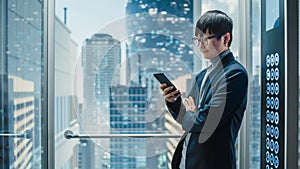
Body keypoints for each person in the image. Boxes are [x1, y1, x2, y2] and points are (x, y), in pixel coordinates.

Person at [160, 10, 248, 169]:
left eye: (205, 39)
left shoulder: (235, 74)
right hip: (187, 161)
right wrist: (174, 102)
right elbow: (186, 118)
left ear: (225, 38)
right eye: (197, 39)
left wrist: (193, 114)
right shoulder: (201, 76)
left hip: (212, 163)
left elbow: (206, 120)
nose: (200, 45)